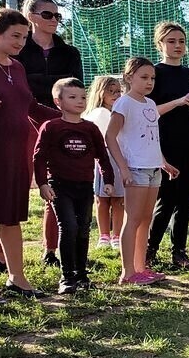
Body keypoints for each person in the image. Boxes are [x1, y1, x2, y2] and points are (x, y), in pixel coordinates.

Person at [0, 8, 59, 304]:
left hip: (15, 155)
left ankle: (17, 278)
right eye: (15, 36)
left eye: (24, 36)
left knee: (11, 219)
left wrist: (66, 120)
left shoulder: (16, 67)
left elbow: (29, 106)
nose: (21, 42)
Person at [17, 0, 84, 268]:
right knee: (18, 186)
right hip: (24, 120)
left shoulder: (70, 53)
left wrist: (37, 83)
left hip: (60, 123)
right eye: (48, 15)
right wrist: (51, 85)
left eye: (57, 15)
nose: (54, 20)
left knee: (56, 187)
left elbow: (74, 87)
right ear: (31, 16)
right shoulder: (18, 50)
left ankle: (51, 251)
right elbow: (19, 87)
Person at [34, 78, 114, 294]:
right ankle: (67, 276)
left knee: (83, 228)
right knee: (68, 227)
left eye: (82, 97)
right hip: (60, 185)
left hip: (85, 186)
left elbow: (103, 156)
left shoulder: (91, 128)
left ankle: (81, 273)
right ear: (58, 101)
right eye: (72, 97)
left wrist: (108, 180)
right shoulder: (51, 127)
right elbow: (39, 157)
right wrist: (42, 183)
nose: (79, 101)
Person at [106, 57, 178, 286]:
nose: (149, 82)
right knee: (133, 219)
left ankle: (140, 268)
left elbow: (150, 138)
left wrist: (163, 161)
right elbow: (110, 137)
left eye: (152, 78)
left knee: (145, 219)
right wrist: (123, 167)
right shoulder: (124, 103)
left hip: (153, 169)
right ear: (129, 77)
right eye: (144, 77)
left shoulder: (148, 104)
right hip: (135, 169)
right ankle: (127, 272)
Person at [145, 22, 189, 270]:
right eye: (171, 41)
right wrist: (179, 101)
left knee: (187, 199)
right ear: (160, 44)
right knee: (167, 199)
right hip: (166, 145)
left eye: (181, 41)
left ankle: (179, 251)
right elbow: (149, 112)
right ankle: (150, 249)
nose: (177, 46)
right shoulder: (154, 74)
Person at [84, 75, 124, 249]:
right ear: (101, 93)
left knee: (118, 199)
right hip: (103, 159)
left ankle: (117, 235)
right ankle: (104, 235)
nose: (116, 95)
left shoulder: (121, 112)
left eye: (118, 91)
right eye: (111, 91)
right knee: (102, 199)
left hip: (120, 158)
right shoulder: (98, 114)